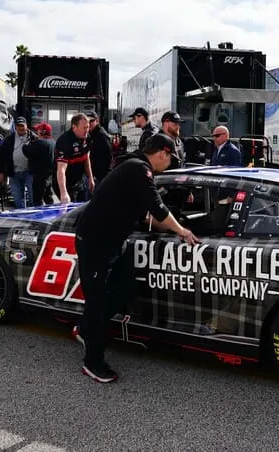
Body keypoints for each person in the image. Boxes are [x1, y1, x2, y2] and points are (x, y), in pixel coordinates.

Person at [73, 133, 199, 383]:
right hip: (95, 242)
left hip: (114, 241)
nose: (170, 163)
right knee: (96, 302)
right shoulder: (138, 168)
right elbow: (158, 209)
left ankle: (85, 328)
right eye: (170, 158)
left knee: (126, 289)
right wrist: (182, 230)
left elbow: (149, 216)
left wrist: (176, 225)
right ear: (162, 153)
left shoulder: (134, 167)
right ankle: (93, 362)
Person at [55, 113, 95, 203]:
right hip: (65, 182)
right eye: (84, 128)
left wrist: (90, 178)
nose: (87, 130)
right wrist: (63, 192)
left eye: (88, 127)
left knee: (82, 209)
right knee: (71, 212)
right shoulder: (65, 141)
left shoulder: (87, 138)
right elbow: (61, 169)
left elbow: (86, 158)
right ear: (74, 127)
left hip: (79, 181)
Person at [0, 117, 37, 209]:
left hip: (30, 173)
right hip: (14, 173)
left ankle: (33, 217)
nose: (20, 128)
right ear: (15, 126)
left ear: (26, 126)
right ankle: (22, 217)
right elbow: (1, 156)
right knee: (18, 200)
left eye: (22, 125)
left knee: (34, 198)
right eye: (18, 126)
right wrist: (1, 172)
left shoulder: (34, 138)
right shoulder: (9, 139)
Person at [31, 123, 56, 206]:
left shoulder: (39, 142)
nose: (36, 131)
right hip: (49, 176)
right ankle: (53, 217)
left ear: (42, 131)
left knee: (37, 201)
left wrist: (27, 143)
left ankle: (39, 218)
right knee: (49, 199)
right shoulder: (53, 142)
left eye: (38, 130)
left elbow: (27, 151)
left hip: (39, 176)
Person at [86, 112, 114, 184]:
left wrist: (98, 175)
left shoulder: (101, 136)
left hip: (99, 177)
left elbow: (108, 156)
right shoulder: (92, 134)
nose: (89, 123)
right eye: (87, 121)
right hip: (94, 175)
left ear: (97, 121)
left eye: (91, 121)